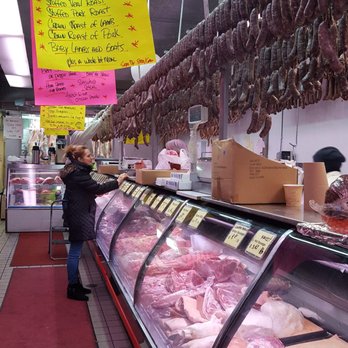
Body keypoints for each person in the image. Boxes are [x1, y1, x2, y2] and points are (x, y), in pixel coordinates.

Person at [60, 145, 127, 301]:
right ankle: (72, 287)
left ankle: (75, 284)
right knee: (75, 251)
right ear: (79, 158)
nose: (92, 158)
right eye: (89, 155)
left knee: (75, 250)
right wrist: (118, 181)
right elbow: (97, 189)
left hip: (77, 210)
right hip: (79, 213)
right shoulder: (79, 173)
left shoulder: (74, 170)